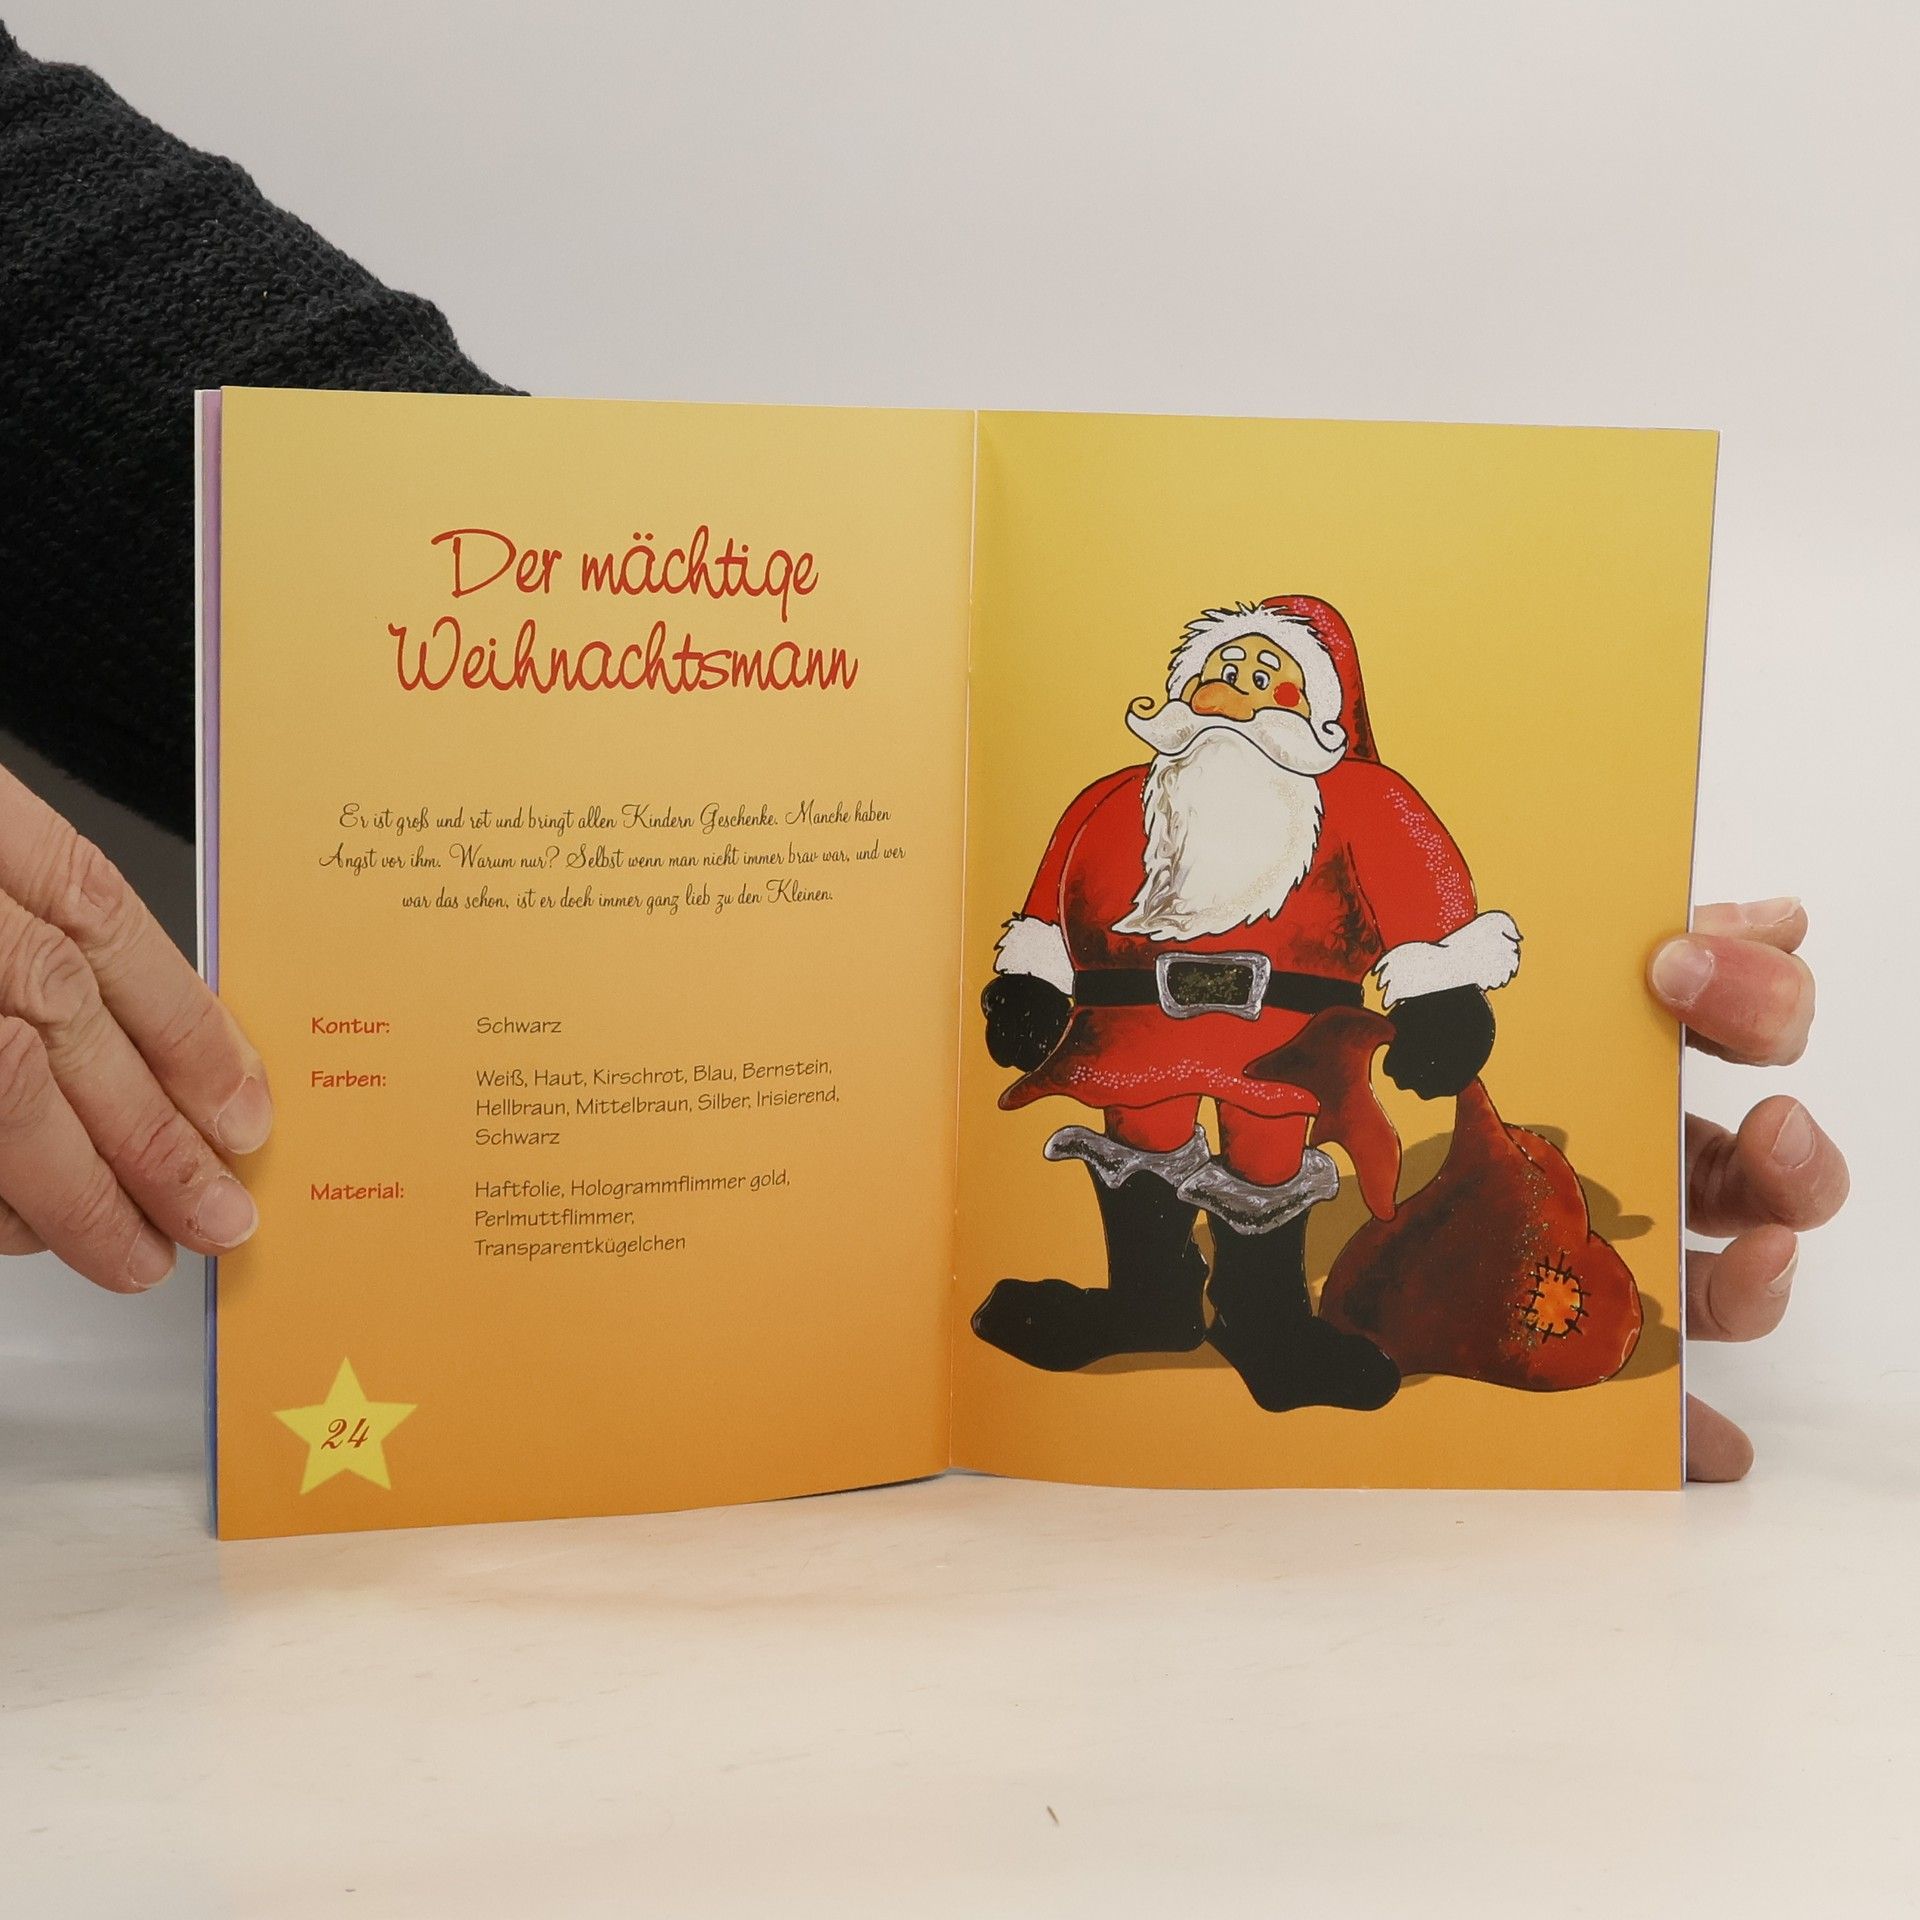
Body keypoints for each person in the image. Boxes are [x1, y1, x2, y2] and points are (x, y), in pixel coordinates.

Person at [0, 25, 1847, 1480]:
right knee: (1141, 1157)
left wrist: (1511, 1027)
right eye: (1214, 680)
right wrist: (1029, 973)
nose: (1229, 707)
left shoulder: (1347, 801)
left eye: (1261, 687)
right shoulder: (1125, 805)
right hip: (1136, 1029)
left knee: (1272, 1158)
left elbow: (55, 296)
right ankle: (1149, 1306)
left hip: (1287, 1034)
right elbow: (1055, 894)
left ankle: (1275, 1327)